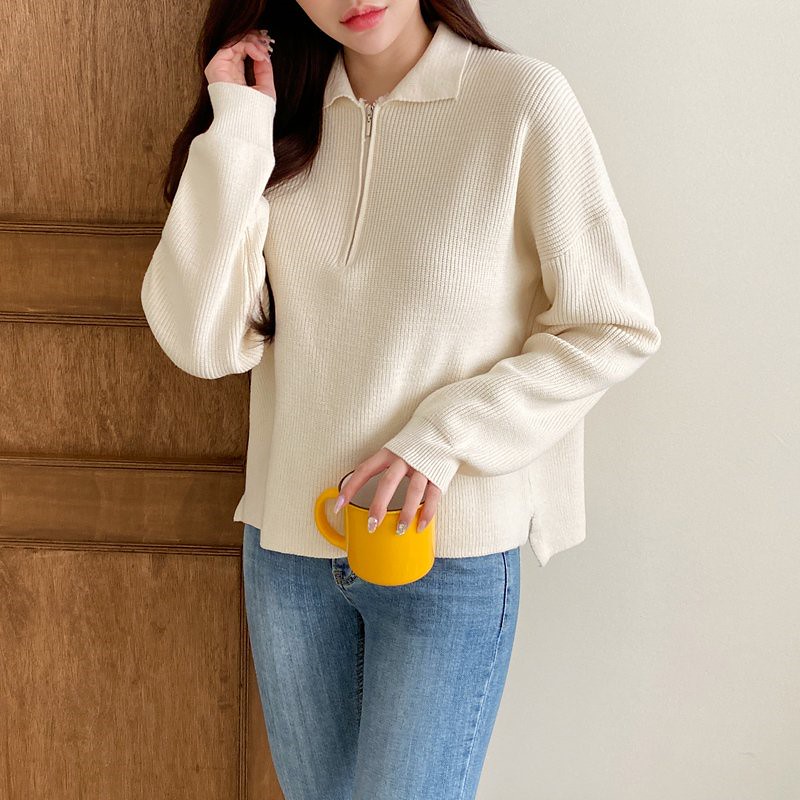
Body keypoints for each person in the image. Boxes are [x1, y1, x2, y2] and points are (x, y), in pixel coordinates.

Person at [140, 1, 662, 797]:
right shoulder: (281, 118)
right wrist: (239, 127)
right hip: (291, 553)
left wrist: (442, 437)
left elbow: (611, 325)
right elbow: (202, 343)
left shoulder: (520, 101)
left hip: (444, 556)